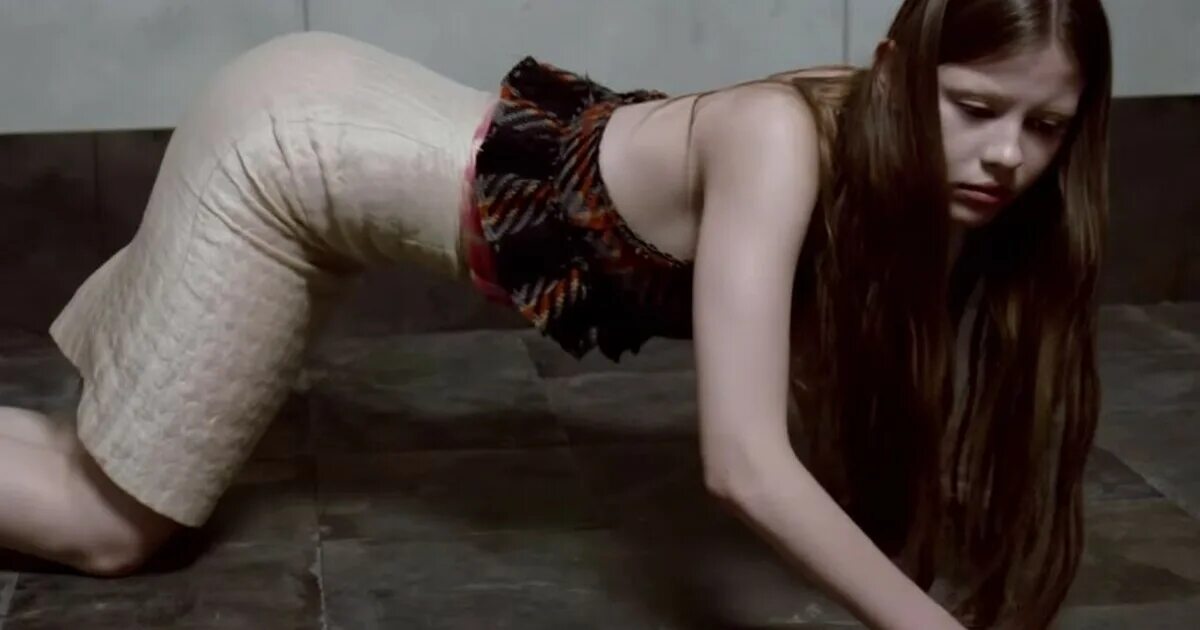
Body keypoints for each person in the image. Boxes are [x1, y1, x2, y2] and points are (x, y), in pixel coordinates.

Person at [0, 0, 1111, 627]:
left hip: (334, 110)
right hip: (290, 151)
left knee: (80, 457)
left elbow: (835, 406)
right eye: (975, 106)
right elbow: (743, 464)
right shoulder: (780, 141)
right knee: (109, 528)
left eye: (1046, 126)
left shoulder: (896, 166)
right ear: (898, 68)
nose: (1007, 155)